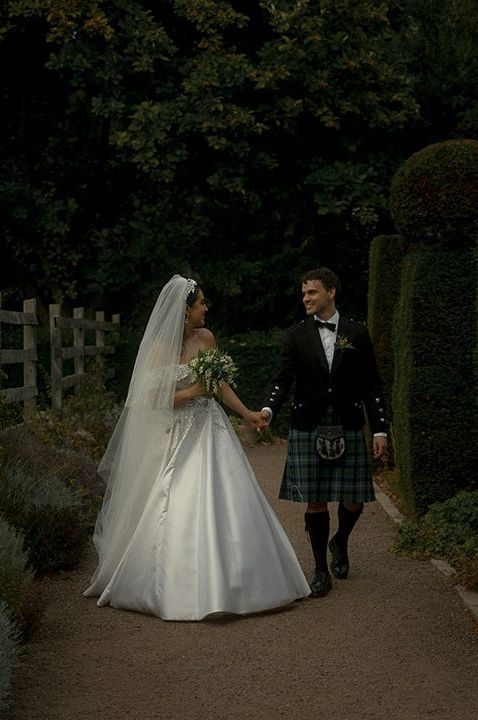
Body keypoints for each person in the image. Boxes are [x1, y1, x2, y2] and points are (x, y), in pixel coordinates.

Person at [84, 274, 310, 620]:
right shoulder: (161, 348)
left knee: (232, 495)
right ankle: (176, 585)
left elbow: (217, 385)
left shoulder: (206, 338)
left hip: (211, 427)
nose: (207, 308)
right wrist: (192, 393)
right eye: (202, 303)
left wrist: (248, 413)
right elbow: (149, 398)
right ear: (185, 310)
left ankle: (243, 582)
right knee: (176, 498)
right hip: (177, 433)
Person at [261, 267, 387, 597]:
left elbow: (372, 383)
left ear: (331, 292)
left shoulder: (356, 333)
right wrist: (268, 408)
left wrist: (380, 431)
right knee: (315, 501)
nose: (305, 298)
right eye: (303, 294)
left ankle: (340, 540)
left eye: (312, 292)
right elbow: (281, 379)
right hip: (309, 423)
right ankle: (319, 570)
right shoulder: (295, 335)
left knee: (355, 500)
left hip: (347, 421)